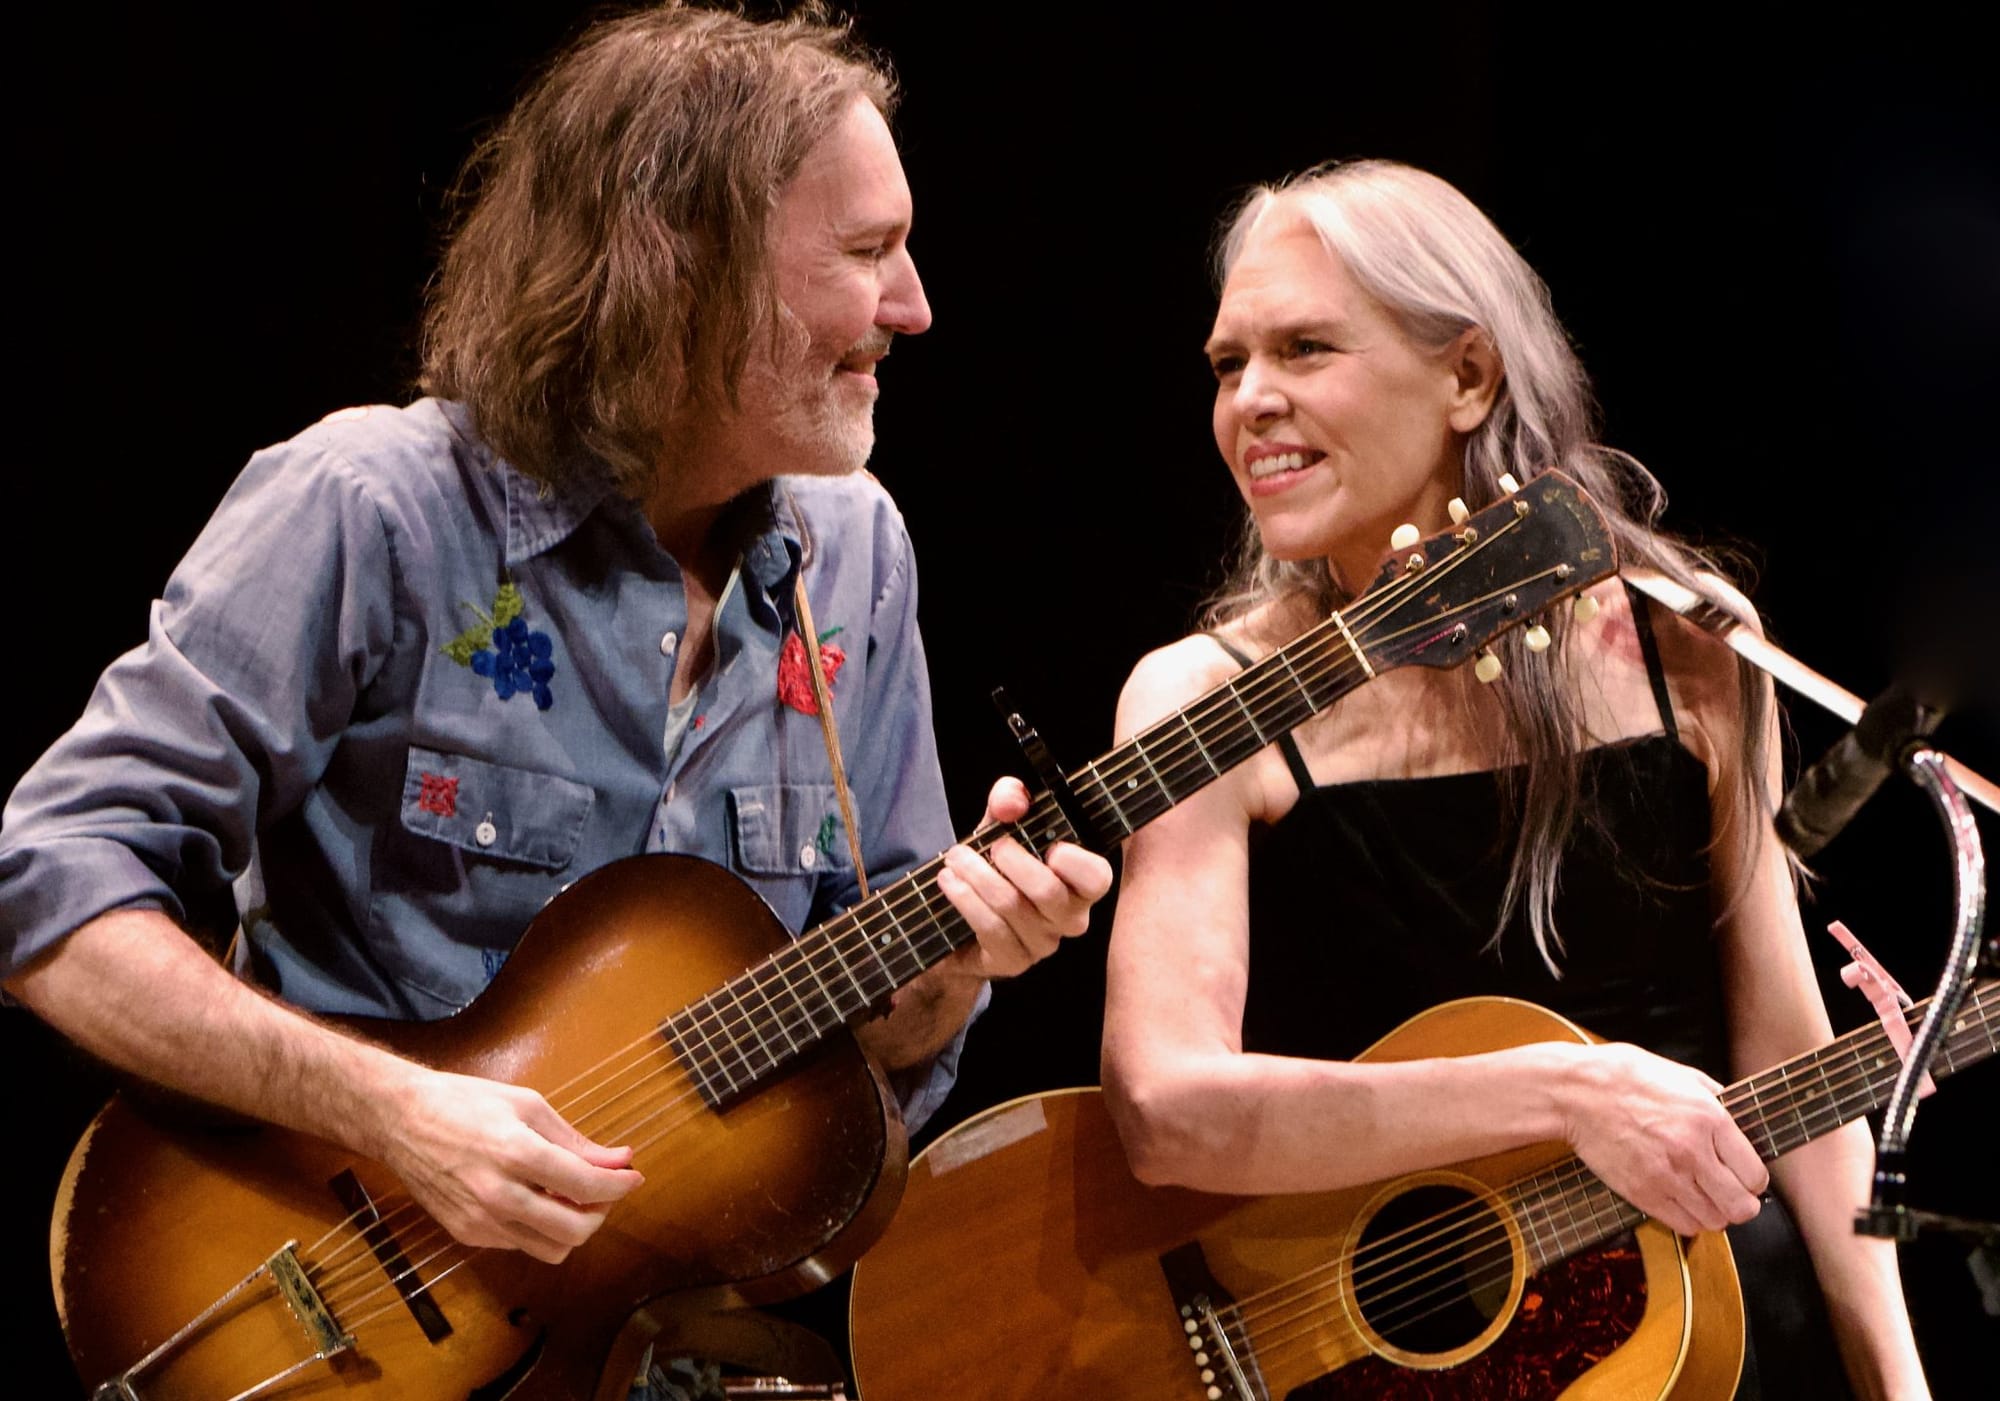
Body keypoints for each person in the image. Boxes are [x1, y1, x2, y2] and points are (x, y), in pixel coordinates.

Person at [0, 3, 1109, 1392]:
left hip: (659, 1351)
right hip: (336, 1325)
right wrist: (399, 1114)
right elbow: (54, 896)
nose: (914, 305)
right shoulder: (373, 508)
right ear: (684, 267)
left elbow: (871, 1052)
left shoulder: (857, 551)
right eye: (867, 251)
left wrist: (961, 961)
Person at [1100, 159, 1928, 1398]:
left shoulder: (1682, 645)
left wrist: (1894, 1381)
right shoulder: (1198, 699)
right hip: (1392, 1361)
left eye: (1304, 348)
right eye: (1228, 364)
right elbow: (1164, 1110)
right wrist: (1564, 1091)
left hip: (1711, 1342)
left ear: (1468, 376)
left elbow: (1786, 1061)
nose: (1250, 401)